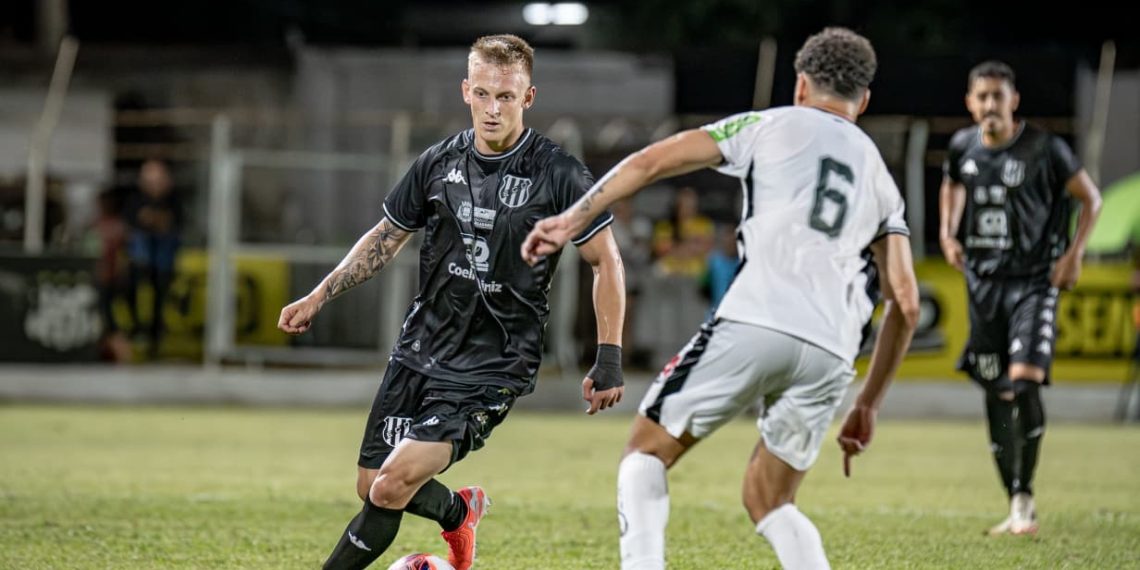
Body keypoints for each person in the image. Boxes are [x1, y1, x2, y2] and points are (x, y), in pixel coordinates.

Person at [523, 27, 920, 570]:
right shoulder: (881, 178)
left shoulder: (768, 123)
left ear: (800, 85)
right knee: (771, 499)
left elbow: (651, 163)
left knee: (645, 453)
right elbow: (906, 301)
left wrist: (573, 216)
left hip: (756, 319)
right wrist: (868, 404)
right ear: (864, 100)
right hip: (833, 348)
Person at [277, 34, 626, 570]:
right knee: (372, 484)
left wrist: (609, 356)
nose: (492, 109)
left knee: (391, 484)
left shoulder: (558, 173)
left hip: (494, 361)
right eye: (482, 94)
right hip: (421, 347)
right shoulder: (438, 163)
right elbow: (386, 236)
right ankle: (458, 513)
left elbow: (607, 261)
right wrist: (321, 292)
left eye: (505, 97)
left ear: (528, 98)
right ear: (466, 90)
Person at [939, 60, 1102, 536]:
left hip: (1033, 281)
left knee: (1025, 379)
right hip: (982, 284)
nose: (990, 105)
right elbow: (951, 183)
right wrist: (948, 234)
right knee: (995, 390)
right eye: (982, 97)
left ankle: (1024, 496)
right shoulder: (961, 146)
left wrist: (1074, 255)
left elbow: (1090, 198)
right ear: (970, 103)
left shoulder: (1045, 149)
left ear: (1014, 101)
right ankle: (1013, 498)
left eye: (998, 96)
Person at [123, 159, 183, 359]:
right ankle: (137, 328)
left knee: (160, 296)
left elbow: (174, 223)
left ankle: (154, 338)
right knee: (129, 288)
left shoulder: (173, 199)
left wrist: (155, 220)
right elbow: (133, 222)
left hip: (162, 262)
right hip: (141, 261)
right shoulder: (135, 199)